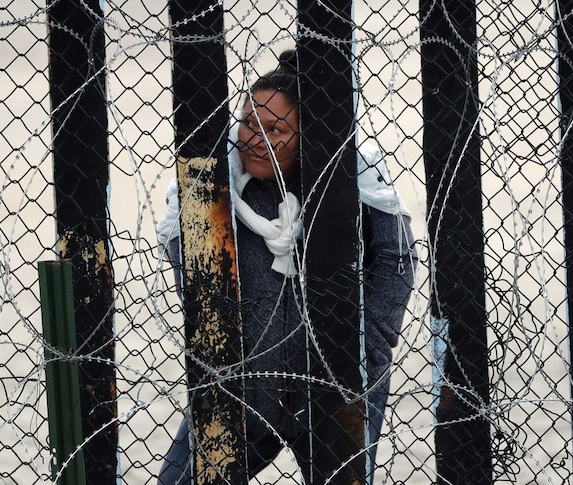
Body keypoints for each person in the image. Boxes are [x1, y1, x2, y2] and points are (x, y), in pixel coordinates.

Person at [156, 48, 417, 484]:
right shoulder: (216, 185)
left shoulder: (349, 177)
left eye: (275, 128)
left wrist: (370, 347)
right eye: (248, 123)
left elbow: (397, 259)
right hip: (243, 390)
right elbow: (186, 253)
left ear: (308, 135)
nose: (255, 139)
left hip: (335, 390)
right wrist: (223, 343)